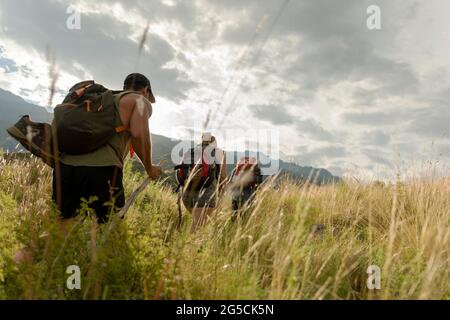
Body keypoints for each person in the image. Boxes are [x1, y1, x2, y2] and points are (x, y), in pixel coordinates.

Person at [13, 73, 162, 262]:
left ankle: (17, 264)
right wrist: (149, 167)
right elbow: (140, 134)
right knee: (111, 231)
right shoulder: (139, 100)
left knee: (60, 228)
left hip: (65, 168)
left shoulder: (103, 100)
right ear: (146, 90)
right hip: (102, 171)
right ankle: (101, 282)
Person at [181, 133, 227, 232]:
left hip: (187, 195)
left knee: (197, 221)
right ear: (214, 142)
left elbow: (181, 172)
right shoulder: (220, 152)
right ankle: (189, 247)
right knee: (197, 227)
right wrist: (222, 192)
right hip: (207, 195)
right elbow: (222, 176)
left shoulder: (191, 151)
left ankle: (191, 243)